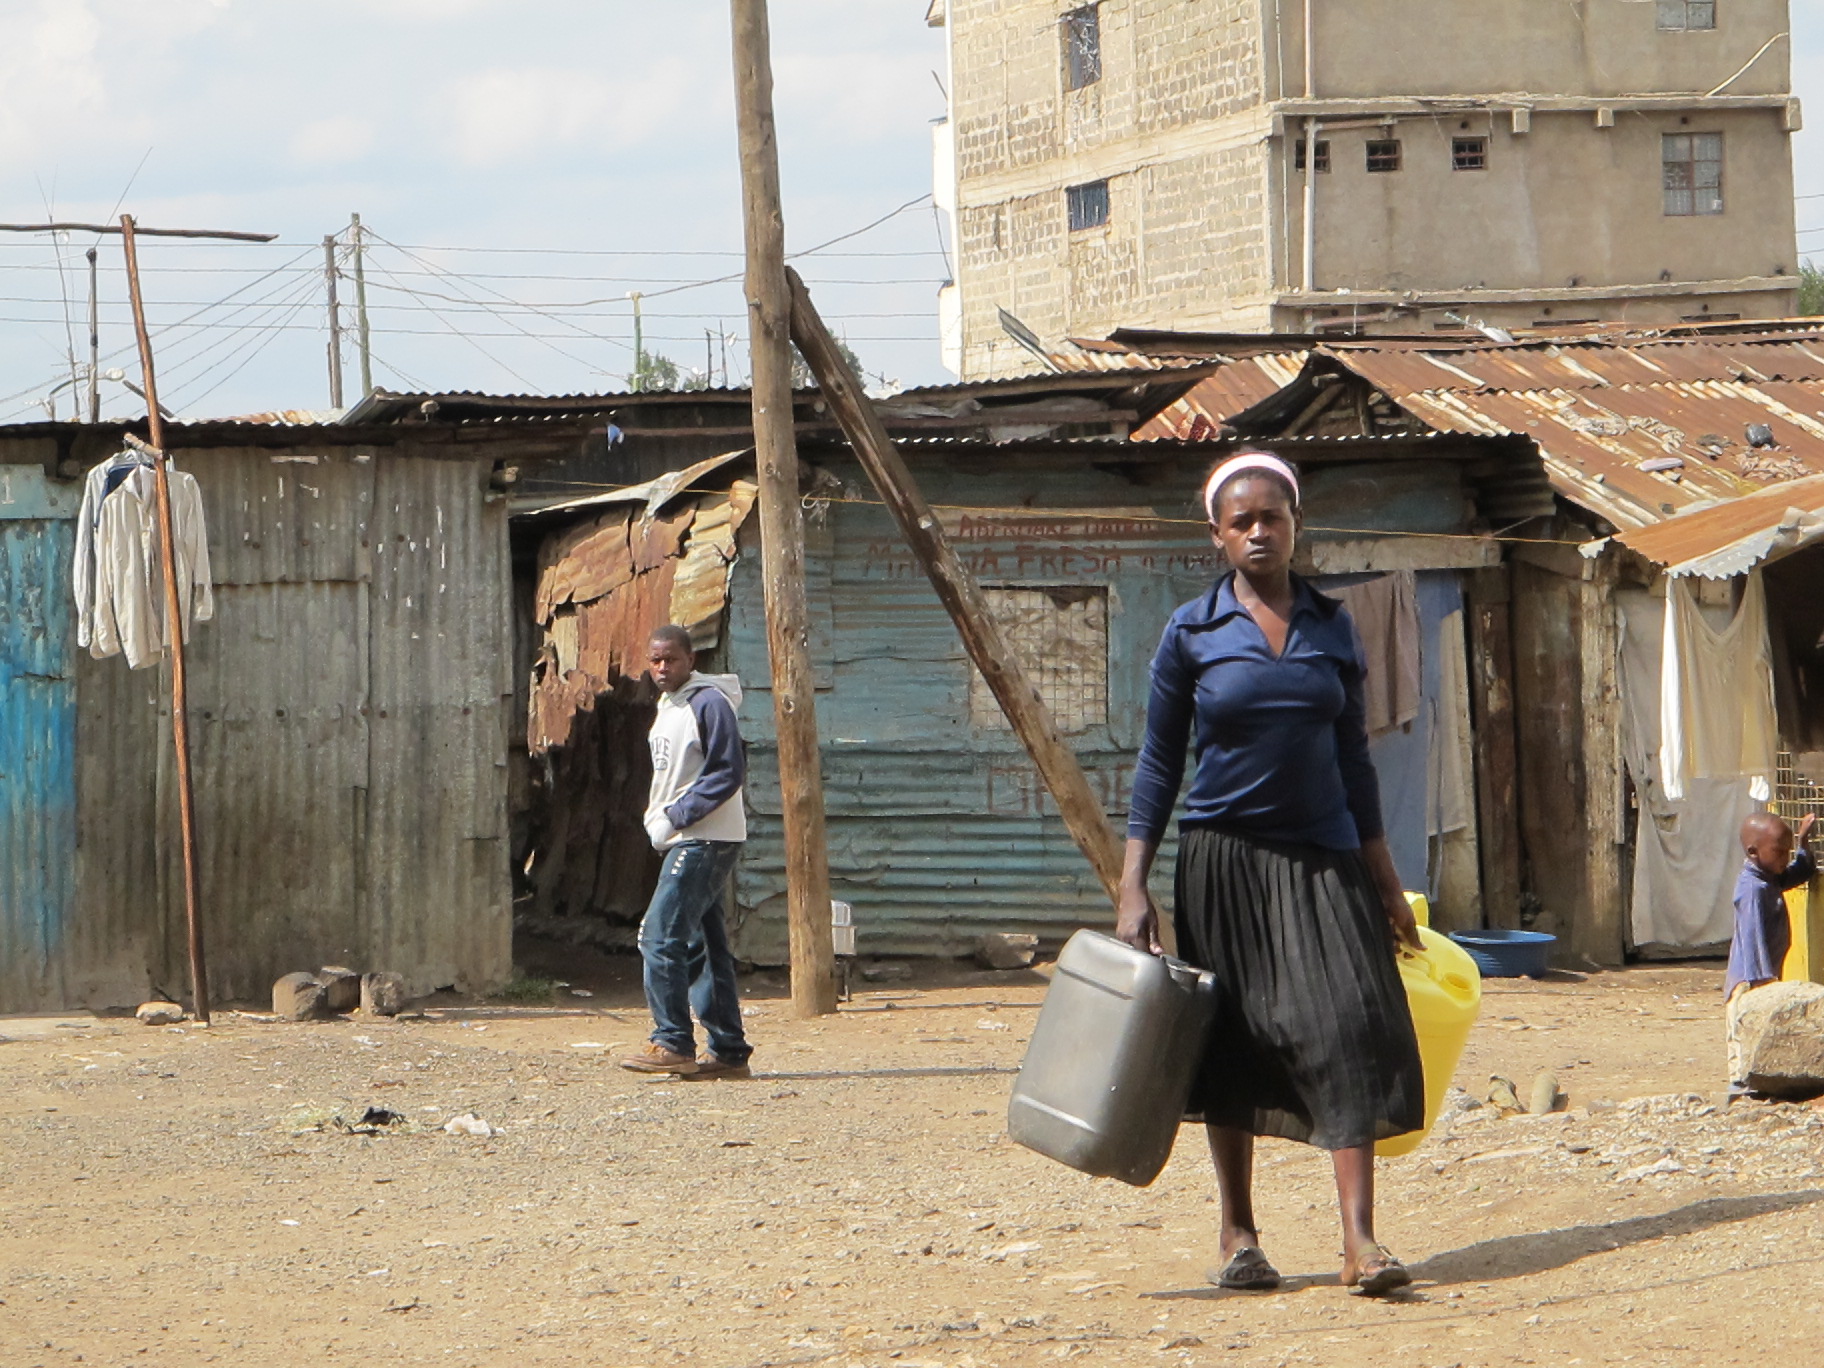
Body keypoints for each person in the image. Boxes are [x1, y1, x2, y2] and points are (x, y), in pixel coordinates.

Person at [1118, 449, 1425, 1298]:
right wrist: (1132, 883)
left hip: (1324, 862)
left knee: (1350, 1028)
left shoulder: (1333, 624)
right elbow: (1157, 765)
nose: (1259, 531)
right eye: (1242, 520)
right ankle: (1238, 1234)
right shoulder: (1193, 632)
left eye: (1273, 516)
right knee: (1235, 1040)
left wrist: (1386, 881)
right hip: (1224, 864)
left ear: (1295, 524)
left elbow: (1354, 763)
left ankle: (1360, 1241)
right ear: (1216, 535)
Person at [619, 625, 755, 1079]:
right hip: (688, 836)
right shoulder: (668, 706)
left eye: (671, 659)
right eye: (655, 659)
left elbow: (727, 772)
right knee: (703, 943)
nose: (662, 667)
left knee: (659, 935)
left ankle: (672, 1040)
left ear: (690, 660)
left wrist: (675, 816)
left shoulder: (708, 703)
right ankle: (729, 1051)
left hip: (706, 837)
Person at [1725, 810, 1816, 1099]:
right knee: (1742, 1040)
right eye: (1780, 852)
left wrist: (1803, 843)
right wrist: (1763, 985)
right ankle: (1739, 1091)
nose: (1784, 859)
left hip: (1762, 978)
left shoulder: (1769, 877)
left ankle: (1753, 1087)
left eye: (1788, 852)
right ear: (1753, 852)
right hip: (1749, 982)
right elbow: (1754, 942)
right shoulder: (1753, 889)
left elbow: (1799, 872)